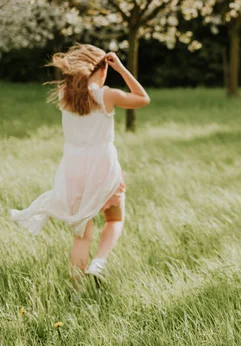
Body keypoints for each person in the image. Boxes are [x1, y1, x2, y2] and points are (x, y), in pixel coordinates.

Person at [10, 44, 150, 285]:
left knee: (82, 236)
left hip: (73, 169)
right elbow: (143, 99)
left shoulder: (66, 95)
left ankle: (76, 294)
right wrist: (122, 68)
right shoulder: (106, 95)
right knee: (114, 220)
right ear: (103, 69)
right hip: (102, 167)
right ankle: (98, 263)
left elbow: (78, 88)